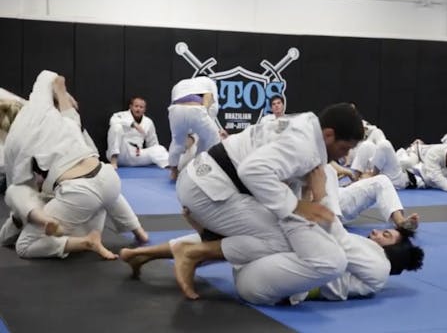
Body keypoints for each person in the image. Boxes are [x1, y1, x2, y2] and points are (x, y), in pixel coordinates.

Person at [120, 165, 424, 304]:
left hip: (288, 282)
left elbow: (338, 243)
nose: (376, 231)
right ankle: (140, 254)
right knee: (259, 235)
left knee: (267, 237)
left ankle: (205, 234)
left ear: (393, 252)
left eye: (386, 236)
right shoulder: (367, 250)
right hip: (293, 262)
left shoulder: (380, 269)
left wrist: (319, 196)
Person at [169, 102, 364, 299]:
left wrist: (301, 204)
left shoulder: (307, 123)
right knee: (284, 240)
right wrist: (295, 205)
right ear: (329, 135)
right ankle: (193, 252)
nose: (345, 155)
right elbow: (252, 170)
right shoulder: (305, 147)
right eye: (343, 148)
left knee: (286, 229)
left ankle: (204, 238)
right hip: (208, 190)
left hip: (207, 180)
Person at [0, 71, 147, 259]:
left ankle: (87, 241)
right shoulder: (65, 122)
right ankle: (139, 231)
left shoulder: (14, 143)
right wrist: (62, 92)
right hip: (109, 179)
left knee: (24, 244)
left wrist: (20, 219)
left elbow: (19, 191)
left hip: (80, 193)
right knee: (104, 191)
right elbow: (50, 80)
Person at [167, 77, 220, 180]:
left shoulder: (180, 83)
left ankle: (173, 171)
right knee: (212, 138)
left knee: (177, 142)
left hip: (175, 110)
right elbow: (214, 106)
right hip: (196, 109)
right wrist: (207, 118)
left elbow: (174, 102)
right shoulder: (209, 81)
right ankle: (200, 168)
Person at [107, 96, 169, 169]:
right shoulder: (121, 115)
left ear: (144, 109)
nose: (138, 109)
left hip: (137, 154)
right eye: (136, 106)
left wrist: (156, 152)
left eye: (141, 107)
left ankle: (172, 167)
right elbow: (112, 121)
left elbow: (153, 142)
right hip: (121, 153)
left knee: (159, 149)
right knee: (116, 127)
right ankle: (113, 161)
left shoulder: (148, 122)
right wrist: (132, 124)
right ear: (130, 107)